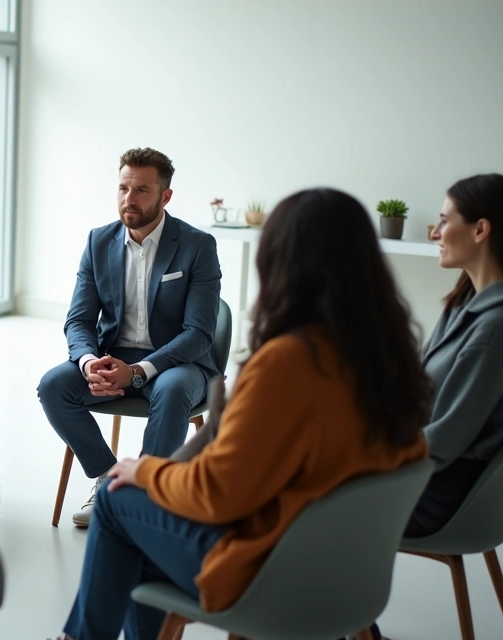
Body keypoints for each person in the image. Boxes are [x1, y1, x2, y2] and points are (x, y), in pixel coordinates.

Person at [54, 188, 432, 640]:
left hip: (271, 568)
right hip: (346, 572)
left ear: (282, 263)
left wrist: (148, 473)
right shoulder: (390, 358)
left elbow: (218, 493)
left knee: (117, 498)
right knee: (140, 529)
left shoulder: (289, 362)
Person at [37, 147, 221, 527]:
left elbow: (199, 333)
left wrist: (137, 371)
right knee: (53, 386)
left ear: (165, 196)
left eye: (141, 190)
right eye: (123, 188)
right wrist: (89, 361)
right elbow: (78, 320)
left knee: (170, 393)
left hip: (177, 363)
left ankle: (141, 496)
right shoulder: (98, 241)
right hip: (112, 355)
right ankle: (109, 478)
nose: (129, 199)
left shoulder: (197, 246)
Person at [410, 173, 503, 534]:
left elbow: (443, 442)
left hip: (429, 497)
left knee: (282, 496)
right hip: (420, 478)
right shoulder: (468, 303)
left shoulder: (495, 328)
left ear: (480, 230)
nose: (434, 233)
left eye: (444, 222)